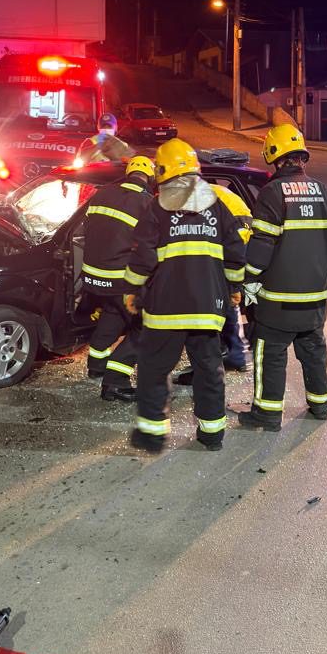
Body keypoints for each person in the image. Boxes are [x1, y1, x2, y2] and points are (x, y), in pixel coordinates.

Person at [124, 138, 246, 453]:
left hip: (166, 307)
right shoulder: (217, 205)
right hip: (207, 307)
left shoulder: (156, 208)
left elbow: (143, 258)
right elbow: (235, 253)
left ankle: (151, 435)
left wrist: (133, 290)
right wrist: (233, 289)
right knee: (209, 369)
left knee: (153, 368)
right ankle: (212, 434)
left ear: (163, 171)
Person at [239, 122, 327, 431]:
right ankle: (321, 405)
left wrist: (248, 280)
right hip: (315, 299)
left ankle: (268, 413)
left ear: (274, 155)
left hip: (278, 303)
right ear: (301, 156)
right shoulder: (324, 193)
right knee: (313, 350)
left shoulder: (271, 193)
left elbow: (261, 246)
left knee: (269, 353)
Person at [82, 155, 156, 402]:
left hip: (93, 276)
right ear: (149, 178)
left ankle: (96, 365)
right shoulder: (146, 203)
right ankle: (116, 380)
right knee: (145, 328)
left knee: (113, 315)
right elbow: (149, 246)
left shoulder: (101, 194)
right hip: (120, 278)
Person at [175, 183, 252, 383]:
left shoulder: (188, 194)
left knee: (213, 299)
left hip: (232, 228)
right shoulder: (209, 189)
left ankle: (215, 360)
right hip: (244, 226)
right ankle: (237, 355)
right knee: (226, 297)